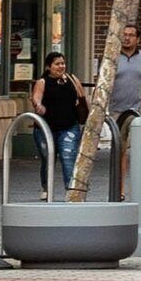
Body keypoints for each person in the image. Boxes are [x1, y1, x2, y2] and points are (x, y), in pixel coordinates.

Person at [72, 29, 141, 197]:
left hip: (137, 111)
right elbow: (102, 83)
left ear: (138, 39)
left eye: (131, 35)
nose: (127, 38)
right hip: (116, 111)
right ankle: (120, 190)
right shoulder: (112, 58)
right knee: (120, 151)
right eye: (124, 35)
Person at [30, 52, 88, 191]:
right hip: (45, 128)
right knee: (48, 159)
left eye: (62, 63)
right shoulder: (42, 82)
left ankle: (71, 190)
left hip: (69, 126)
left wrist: (87, 113)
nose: (61, 66)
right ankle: (46, 188)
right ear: (49, 67)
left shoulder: (72, 79)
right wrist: (39, 106)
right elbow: (36, 98)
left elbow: (82, 97)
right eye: (57, 64)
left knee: (68, 157)